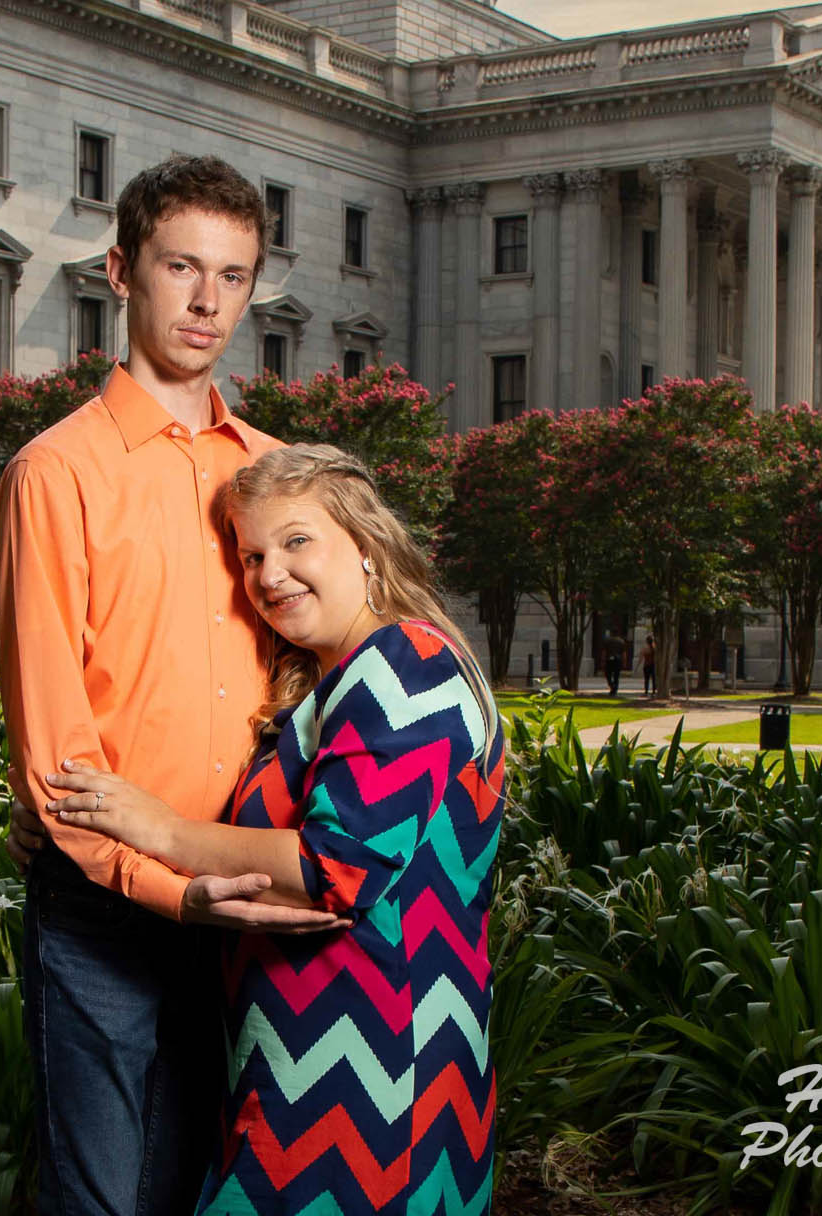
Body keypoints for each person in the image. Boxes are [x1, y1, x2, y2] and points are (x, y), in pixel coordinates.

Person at [0, 155, 340, 1216]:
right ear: (120, 271)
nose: (205, 299)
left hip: (252, 899)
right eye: (180, 265)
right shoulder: (57, 472)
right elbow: (54, 747)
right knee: (103, 1201)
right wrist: (170, 887)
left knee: (211, 1189)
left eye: (232, 275)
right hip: (111, 908)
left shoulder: (280, 476)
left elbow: (333, 671)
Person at [41, 443, 506, 1216]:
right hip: (294, 1063)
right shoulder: (329, 680)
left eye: (296, 541)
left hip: (377, 1079)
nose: (268, 575)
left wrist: (158, 828)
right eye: (251, 555)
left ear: (365, 546)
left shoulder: (408, 660)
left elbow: (339, 866)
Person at [641, 631, 657, 699]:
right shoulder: (655, 648)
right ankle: (653, 691)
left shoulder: (645, 648)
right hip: (653, 665)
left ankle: (646, 691)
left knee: (646, 679)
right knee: (654, 679)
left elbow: (641, 657)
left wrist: (638, 666)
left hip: (646, 665)